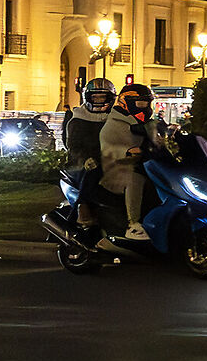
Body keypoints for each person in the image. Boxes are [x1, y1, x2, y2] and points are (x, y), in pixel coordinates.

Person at [100, 84, 157, 242]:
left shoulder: (144, 123)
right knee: (134, 178)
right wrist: (131, 150)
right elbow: (115, 147)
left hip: (143, 164)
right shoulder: (115, 122)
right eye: (140, 103)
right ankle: (133, 224)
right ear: (126, 102)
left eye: (147, 103)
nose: (145, 108)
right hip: (116, 169)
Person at [64, 79, 115, 231]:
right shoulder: (77, 119)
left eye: (102, 97)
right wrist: (86, 158)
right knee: (93, 170)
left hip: (113, 159)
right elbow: (72, 145)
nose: (99, 101)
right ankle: (82, 207)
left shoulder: (117, 118)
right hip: (83, 163)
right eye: (95, 97)